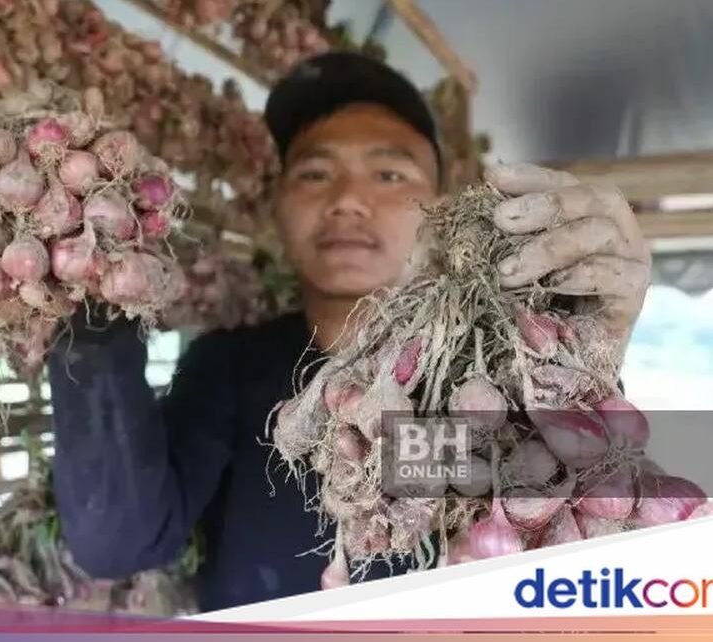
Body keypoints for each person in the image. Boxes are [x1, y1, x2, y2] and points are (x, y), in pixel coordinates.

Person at [46, 51, 650, 612]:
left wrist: (588, 360)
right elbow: (119, 542)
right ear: (276, 206)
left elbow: (542, 522)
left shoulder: (483, 375)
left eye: (388, 174)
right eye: (314, 174)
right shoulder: (228, 367)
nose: (347, 201)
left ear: (442, 209)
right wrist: (93, 296)